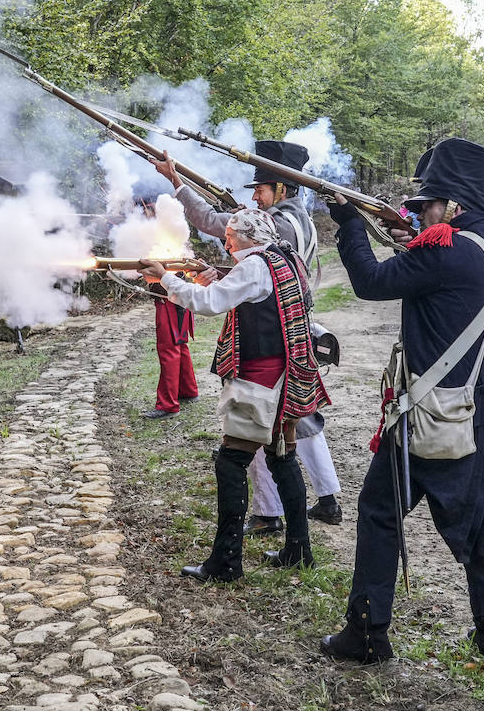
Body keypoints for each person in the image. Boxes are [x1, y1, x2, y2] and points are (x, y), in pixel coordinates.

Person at [320, 138, 484, 664]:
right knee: (475, 513)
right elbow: (434, 277)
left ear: (454, 207)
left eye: (429, 204)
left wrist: (350, 224)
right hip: (478, 412)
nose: (420, 211)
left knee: (379, 511)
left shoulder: (445, 252)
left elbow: (369, 282)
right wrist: (413, 238)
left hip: (431, 416)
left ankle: (367, 632)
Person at [154, 141, 343, 534]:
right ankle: (324, 499)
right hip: (286, 324)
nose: (254, 198)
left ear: (283, 190)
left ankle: (271, 512)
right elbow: (255, 275)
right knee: (297, 421)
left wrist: (176, 277)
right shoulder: (289, 219)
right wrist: (224, 274)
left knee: (256, 424)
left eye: (261, 190)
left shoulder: (280, 225)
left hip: (275, 336)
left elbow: (250, 268)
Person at [141, 209, 330, 581]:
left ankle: (226, 562)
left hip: (262, 381)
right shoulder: (283, 256)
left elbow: (209, 303)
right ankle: (298, 549)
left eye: (230, 236)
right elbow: (244, 290)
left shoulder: (255, 266)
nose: (226, 242)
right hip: (287, 379)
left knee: (230, 463)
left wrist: (165, 278)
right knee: (282, 459)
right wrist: (207, 277)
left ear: (245, 237)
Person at [145, 296, 199, 418]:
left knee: (169, 348)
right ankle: (187, 391)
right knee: (179, 345)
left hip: (170, 299)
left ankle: (168, 405)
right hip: (175, 296)